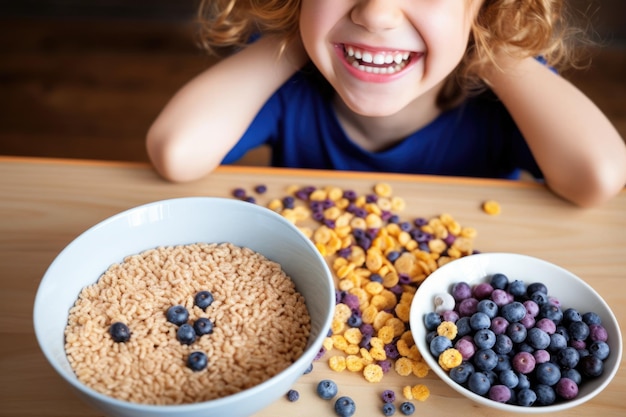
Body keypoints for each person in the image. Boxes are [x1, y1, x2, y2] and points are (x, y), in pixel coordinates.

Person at [146, 0, 626, 207]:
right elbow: (176, 150)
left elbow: (598, 177)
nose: (375, 13)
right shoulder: (288, 82)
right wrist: (300, 28)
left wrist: (488, 40)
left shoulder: (500, 96)